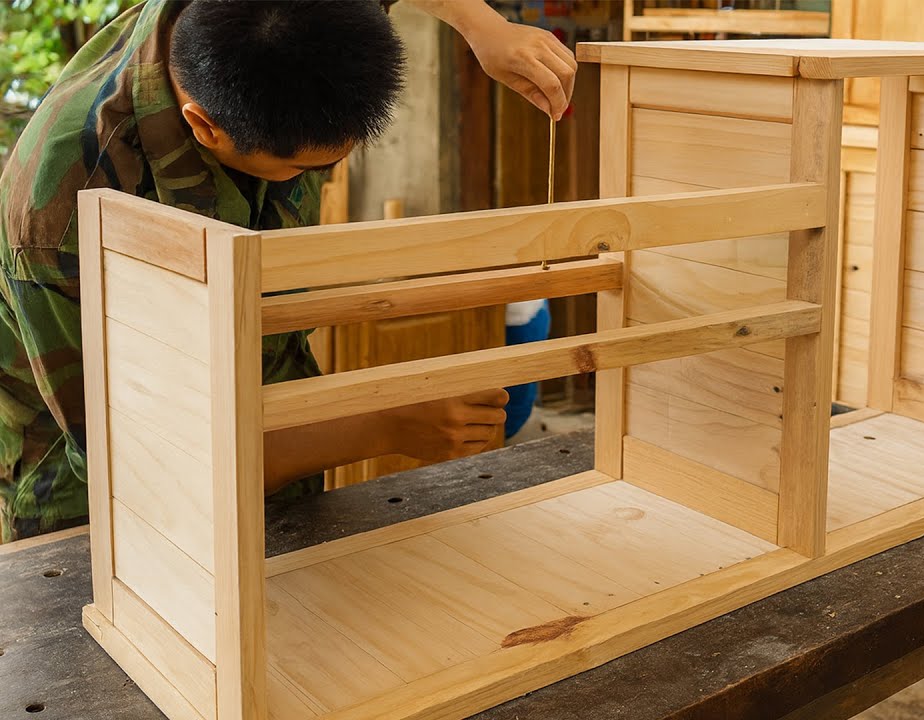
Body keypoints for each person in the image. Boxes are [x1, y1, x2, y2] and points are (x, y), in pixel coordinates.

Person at [0, 0, 578, 542]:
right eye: (307, 166)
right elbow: (141, 459)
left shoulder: (296, 14)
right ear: (205, 127)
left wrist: (484, 27)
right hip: (104, 509)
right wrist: (385, 424)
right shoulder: (65, 214)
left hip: (269, 428)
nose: (327, 171)